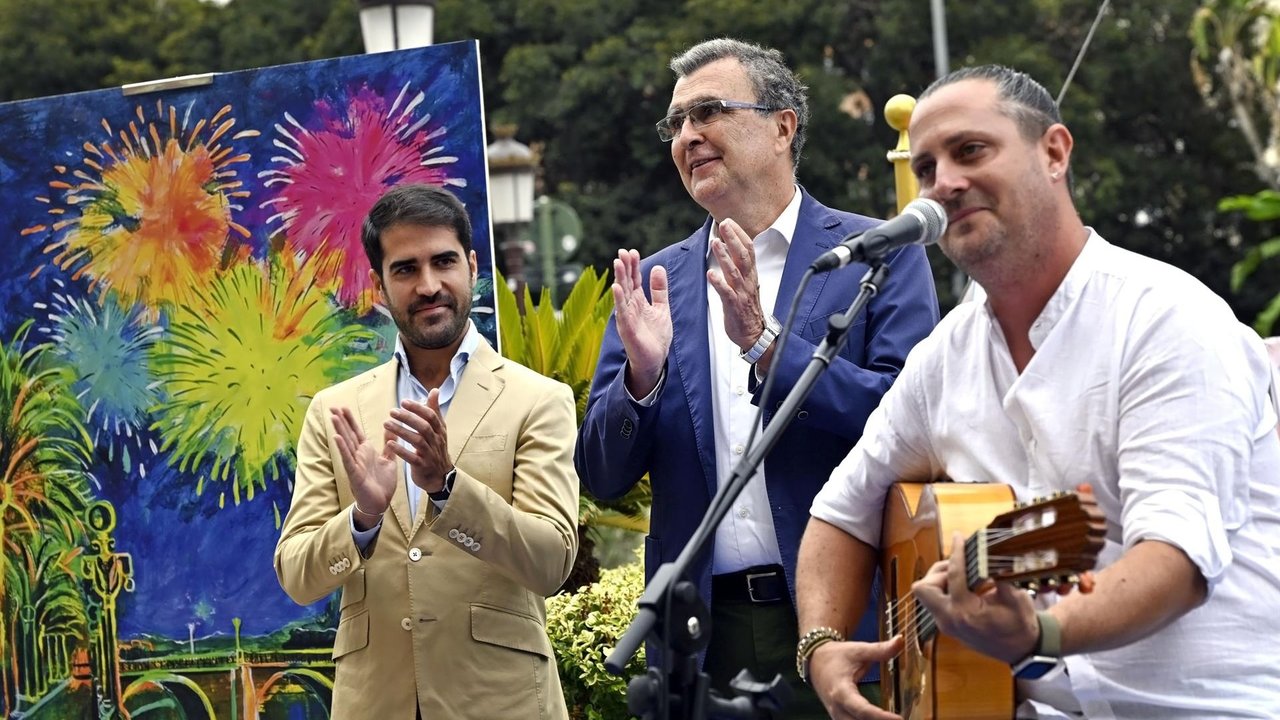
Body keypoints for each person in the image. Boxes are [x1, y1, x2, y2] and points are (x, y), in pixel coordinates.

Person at [796, 64, 1280, 719]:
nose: (944, 185)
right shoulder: (944, 356)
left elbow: (1176, 559)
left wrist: (1038, 635)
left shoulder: (1168, 320)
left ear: (1054, 152)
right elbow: (840, 511)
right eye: (929, 168)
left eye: (971, 151)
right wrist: (822, 646)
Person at [575, 38, 939, 716]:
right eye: (676, 123)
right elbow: (600, 475)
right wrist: (642, 380)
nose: (688, 135)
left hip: (847, 623)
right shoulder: (656, 285)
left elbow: (911, 421)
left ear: (782, 126)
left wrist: (768, 345)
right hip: (704, 642)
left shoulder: (875, 258)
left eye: (709, 111)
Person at [274, 183, 579, 719]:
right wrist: (363, 517)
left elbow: (551, 561)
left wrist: (447, 487)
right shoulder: (335, 411)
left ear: (472, 265)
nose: (429, 285)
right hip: (375, 703)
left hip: (500, 702)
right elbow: (298, 576)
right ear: (378, 285)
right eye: (406, 269)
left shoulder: (538, 400)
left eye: (443, 261)